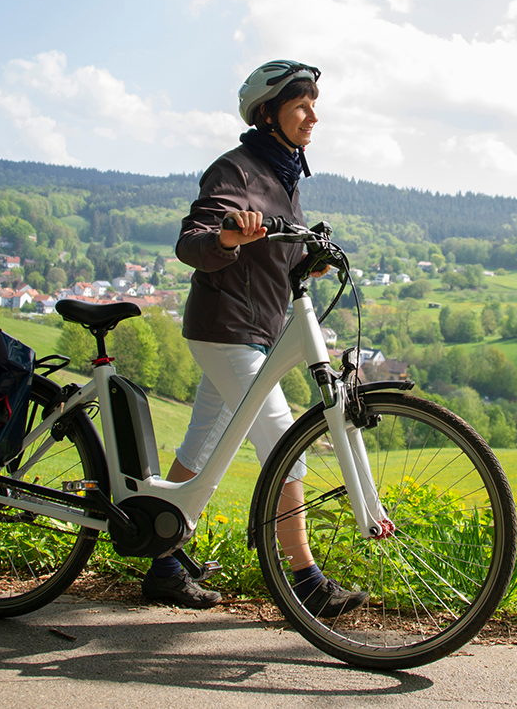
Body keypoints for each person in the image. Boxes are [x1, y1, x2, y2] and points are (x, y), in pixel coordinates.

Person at [142, 60, 367, 617]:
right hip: (227, 328)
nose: (313, 115)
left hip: (255, 332)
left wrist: (306, 260)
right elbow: (193, 239)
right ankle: (304, 580)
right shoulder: (237, 171)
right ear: (269, 114)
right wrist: (226, 234)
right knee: (285, 444)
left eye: (315, 104)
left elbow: (274, 248)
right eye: (301, 105)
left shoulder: (283, 175)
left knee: (201, 447)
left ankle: (163, 561)